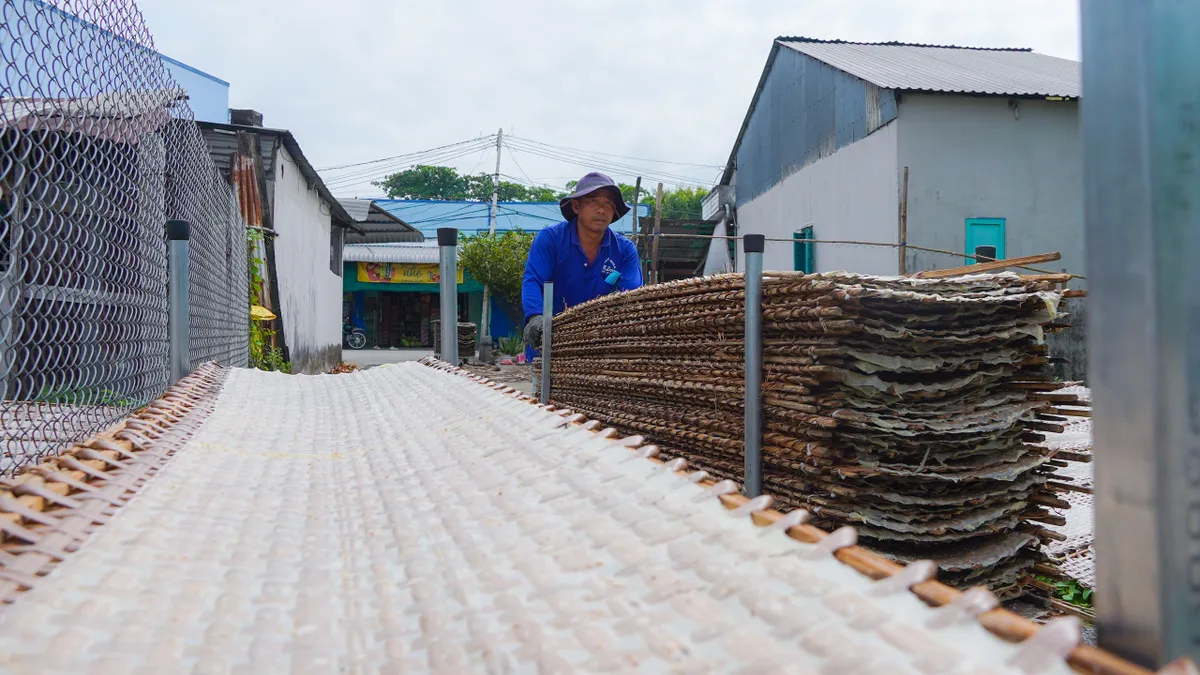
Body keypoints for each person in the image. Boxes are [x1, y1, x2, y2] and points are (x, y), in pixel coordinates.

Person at [522, 172, 643, 359]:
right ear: (576, 206)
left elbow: (631, 297)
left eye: (609, 203)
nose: (602, 210)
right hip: (551, 345)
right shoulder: (550, 239)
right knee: (545, 388)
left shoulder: (625, 250)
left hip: (599, 348)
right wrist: (535, 317)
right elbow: (533, 280)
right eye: (594, 201)